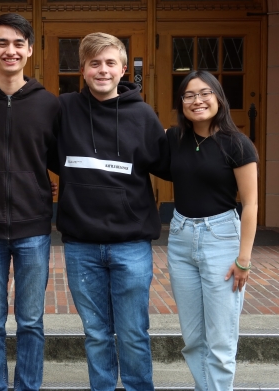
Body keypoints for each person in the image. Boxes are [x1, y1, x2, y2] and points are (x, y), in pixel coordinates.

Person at [57, 33, 169, 390]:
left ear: (123, 69)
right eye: (94, 63)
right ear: (83, 70)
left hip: (130, 244)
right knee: (96, 333)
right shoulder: (62, 109)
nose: (102, 70)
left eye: (109, 63)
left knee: (133, 333)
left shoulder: (142, 114)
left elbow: (166, 163)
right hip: (80, 245)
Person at [0, 13, 59, 391]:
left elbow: (57, 158)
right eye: (2, 43)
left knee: (31, 321)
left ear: (30, 50)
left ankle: (28, 387)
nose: (10, 50)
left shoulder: (49, 104)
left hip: (33, 226)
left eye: (18, 43)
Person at [166, 70, 258, 390]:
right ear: (181, 103)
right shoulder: (174, 139)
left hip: (221, 239)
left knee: (219, 340)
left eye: (205, 93)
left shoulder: (238, 143)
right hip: (180, 238)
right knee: (193, 339)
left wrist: (243, 259)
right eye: (189, 95)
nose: (197, 101)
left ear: (218, 97)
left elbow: (251, 204)